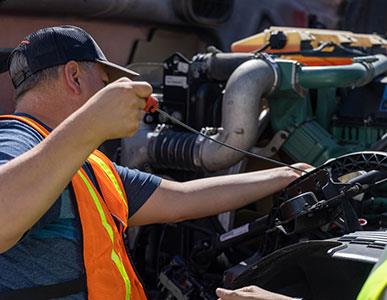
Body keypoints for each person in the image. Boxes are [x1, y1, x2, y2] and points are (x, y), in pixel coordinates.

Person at [0, 25, 310, 299]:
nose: (108, 91)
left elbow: (180, 198)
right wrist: (92, 122)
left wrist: (284, 175)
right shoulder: (18, 141)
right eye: (105, 82)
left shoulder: (88, 162)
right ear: (74, 77)